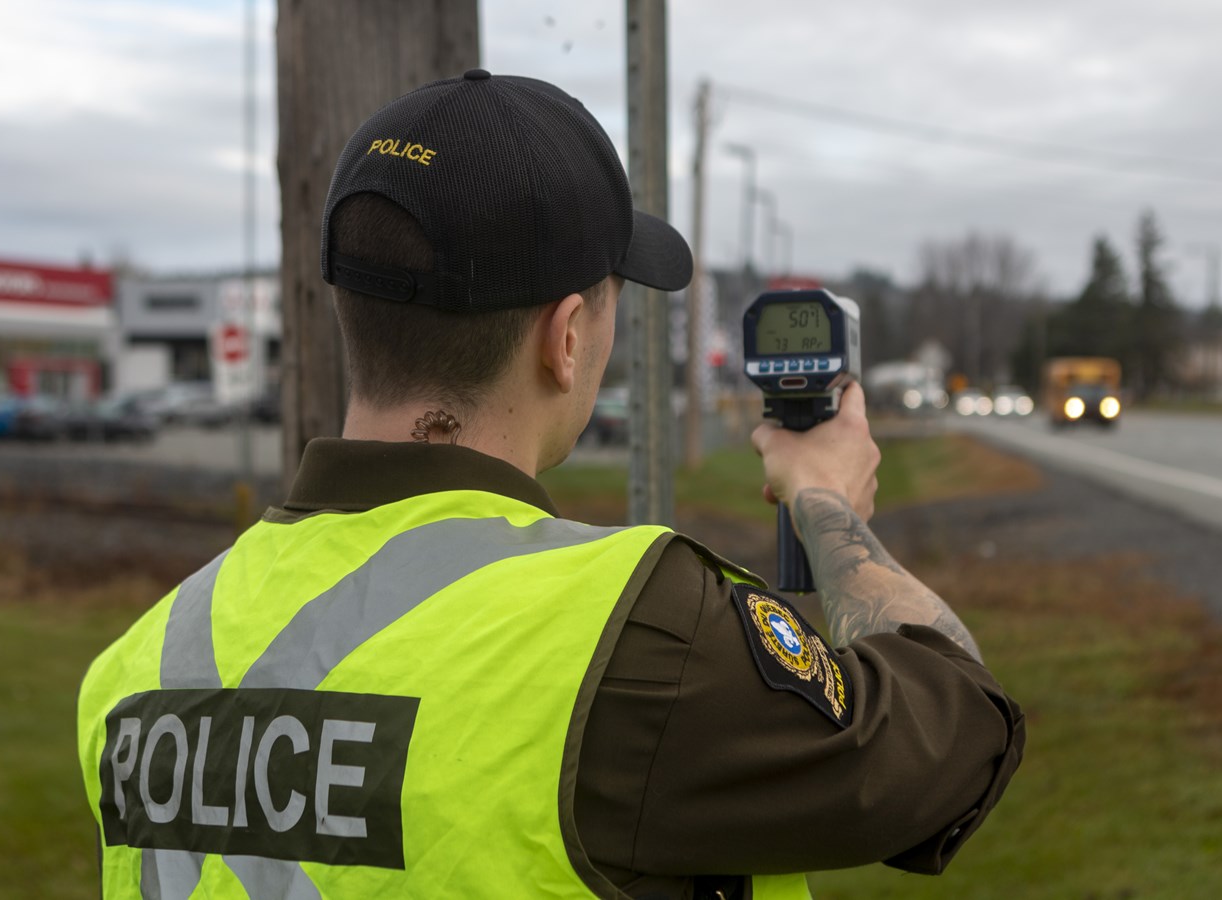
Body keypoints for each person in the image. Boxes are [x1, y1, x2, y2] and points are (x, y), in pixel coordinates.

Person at [78, 70, 1024, 899]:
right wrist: (825, 504)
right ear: (565, 338)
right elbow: (956, 734)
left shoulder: (139, 668)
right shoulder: (635, 641)